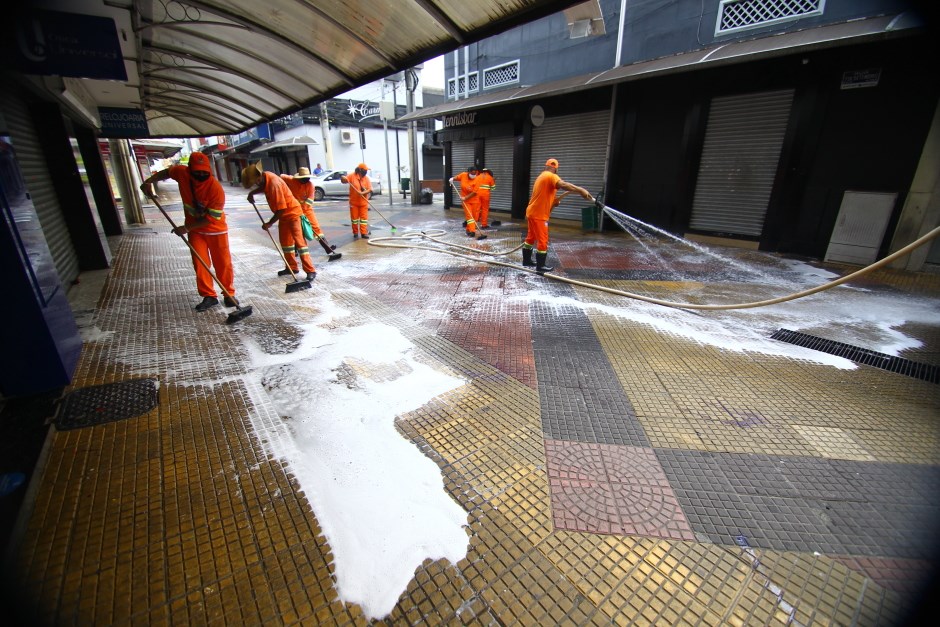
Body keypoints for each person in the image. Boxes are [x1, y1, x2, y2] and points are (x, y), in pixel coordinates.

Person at [140, 152, 239, 312]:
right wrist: (149, 181)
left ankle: (229, 294)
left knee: (223, 263)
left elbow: (210, 219)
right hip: (196, 231)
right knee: (200, 263)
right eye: (197, 171)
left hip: (216, 231)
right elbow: (167, 172)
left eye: (204, 172)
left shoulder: (215, 189)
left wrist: (186, 229)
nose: (201, 175)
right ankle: (209, 296)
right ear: (190, 169)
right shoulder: (181, 173)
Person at [241, 161, 317, 281]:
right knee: (286, 244)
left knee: (300, 243)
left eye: (255, 181)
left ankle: (310, 270)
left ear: (259, 176)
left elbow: (281, 209)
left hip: (292, 214)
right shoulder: (266, 177)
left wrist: (269, 223)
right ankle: (292, 267)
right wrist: (252, 193)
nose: (255, 183)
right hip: (284, 216)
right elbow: (262, 187)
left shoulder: (274, 184)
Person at [522, 158, 593, 273]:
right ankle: (541, 267)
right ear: (555, 169)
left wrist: (554, 201)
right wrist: (580, 190)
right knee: (543, 240)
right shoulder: (551, 176)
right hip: (539, 215)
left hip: (532, 212)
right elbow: (563, 184)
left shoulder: (541, 176)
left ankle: (526, 261)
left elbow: (543, 195)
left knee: (531, 237)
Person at [280, 167, 342, 261]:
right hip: (293, 211)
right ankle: (295, 250)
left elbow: (309, 201)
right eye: (305, 177)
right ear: (299, 178)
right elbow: (281, 176)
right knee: (296, 231)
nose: (307, 179)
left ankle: (328, 250)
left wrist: (302, 210)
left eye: (308, 177)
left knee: (316, 229)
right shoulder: (291, 180)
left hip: (307, 210)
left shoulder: (310, 185)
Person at [449, 165, 486, 240]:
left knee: (475, 217)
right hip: (466, 201)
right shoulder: (463, 175)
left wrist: (465, 197)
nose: (473, 175)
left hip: (475, 200)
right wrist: (452, 179)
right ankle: (472, 231)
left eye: (474, 174)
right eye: (472, 174)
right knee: (469, 216)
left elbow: (474, 192)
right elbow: (457, 177)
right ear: (468, 172)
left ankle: (468, 229)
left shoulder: (478, 179)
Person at [341, 164, 373, 239]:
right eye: (365, 170)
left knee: (363, 219)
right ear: (361, 170)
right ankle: (355, 232)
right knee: (354, 219)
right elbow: (344, 180)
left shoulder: (366, 179)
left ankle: (363, 233)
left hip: (363, 202)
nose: (366, 172)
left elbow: (370, 189)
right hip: (354, 202)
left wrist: (362, 193)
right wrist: (343, 178)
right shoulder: (352, 176)